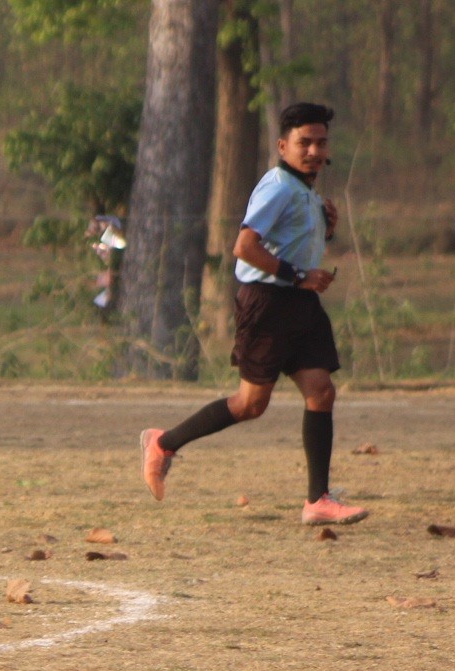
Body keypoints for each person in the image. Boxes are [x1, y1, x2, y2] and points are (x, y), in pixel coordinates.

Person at [140, 102, 365, 526]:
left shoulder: (304, 189)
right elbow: (244, 247)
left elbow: (290, 240)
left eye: (321, 142)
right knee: (250, 404)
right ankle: (163, 443)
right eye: (304, 142)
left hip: (300, 304)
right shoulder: (278, 186)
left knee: (321, 390)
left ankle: (318, 501)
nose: (315, 150)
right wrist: (298, 275)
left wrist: (326, 227)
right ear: (283, 146)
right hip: (268, 302)